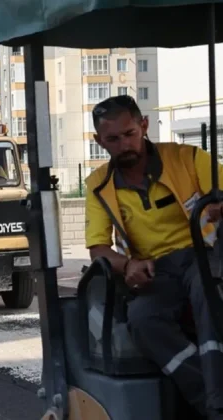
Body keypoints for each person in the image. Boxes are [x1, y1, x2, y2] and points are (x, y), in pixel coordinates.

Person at [84, 94, 223, 418]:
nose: (124, 145)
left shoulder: (188, 158)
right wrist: (128, 265)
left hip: (202, 255)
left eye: (130, 134)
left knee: (207, 290)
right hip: (155, 269)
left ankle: (218, 401)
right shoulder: (98, 186)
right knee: (143, 319)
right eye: (113, 139)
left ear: (144, 125)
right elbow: (98, 250)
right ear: (99, 141)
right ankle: (211, 400)